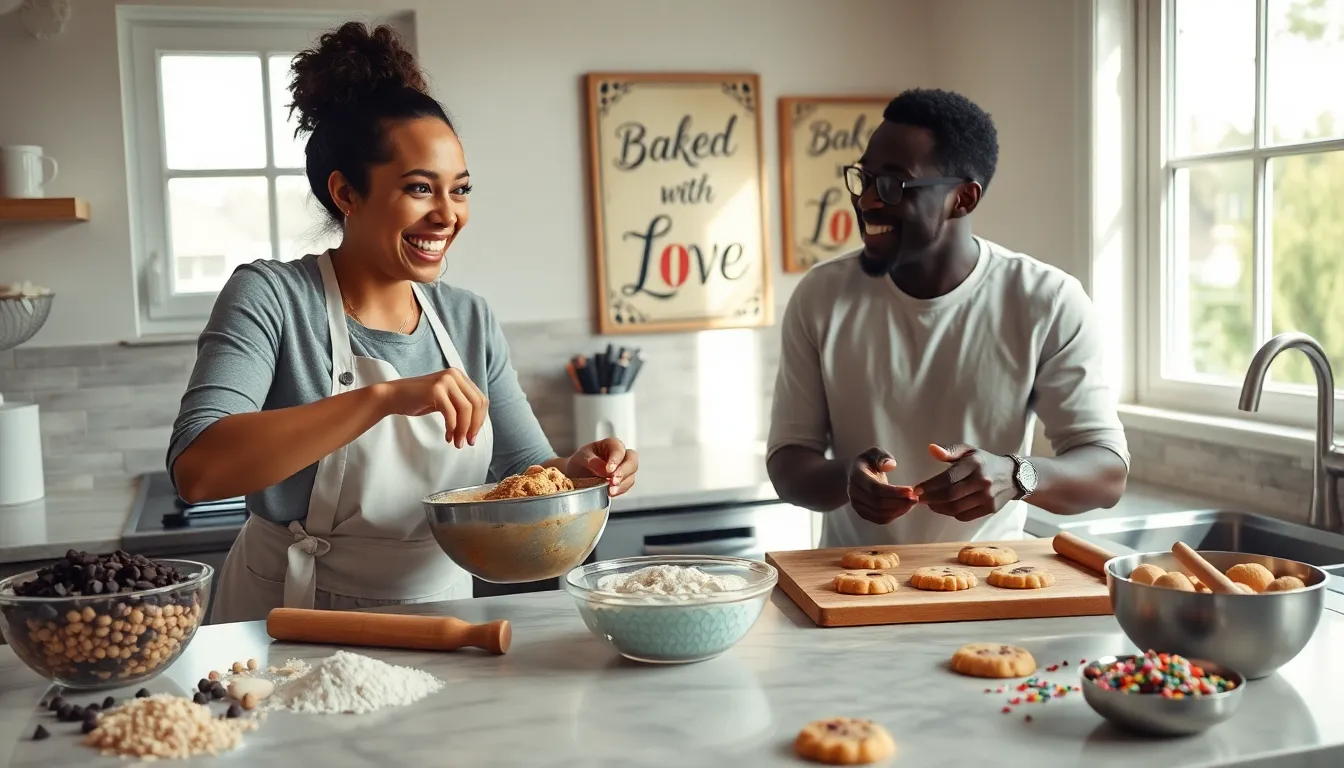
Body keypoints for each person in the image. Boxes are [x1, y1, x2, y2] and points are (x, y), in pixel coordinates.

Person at [168, 22, 639, 624]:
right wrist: (383, 398)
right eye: (420, 189)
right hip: (287, 615)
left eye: (460, 190)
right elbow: (199, 469)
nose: (447, 215)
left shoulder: (467, 318)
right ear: (346, 193)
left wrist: (580, 472)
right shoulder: (273, 296)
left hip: (440, 615)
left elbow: (527, 473)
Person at [766, 88, 1127, 548]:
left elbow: (1107, 472)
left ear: (964, 199)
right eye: (864, 178)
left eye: (893, 185)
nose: (868, 202)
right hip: (847, 589)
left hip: (987, 584)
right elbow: (788, 462)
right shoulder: (822, 296)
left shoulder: (1047, 300)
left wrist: (1018, 475)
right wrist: (845, 480)